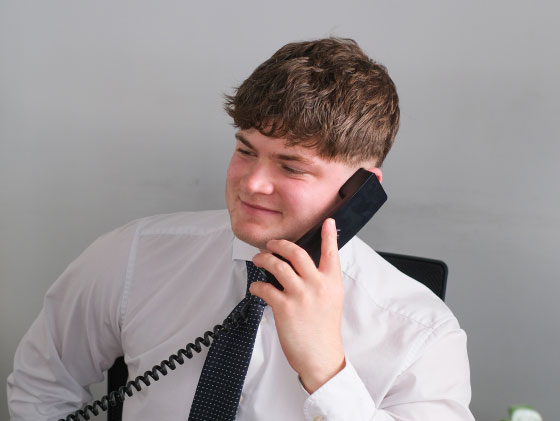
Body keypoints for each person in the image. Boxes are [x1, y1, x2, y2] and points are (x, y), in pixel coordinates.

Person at [8, 37, 474, 420]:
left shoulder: (423, 336)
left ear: (361, 191)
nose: (252, 183)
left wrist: (326, 370)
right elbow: (40, 383)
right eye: (246, 151)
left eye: (291, 167)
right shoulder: (134, 254)